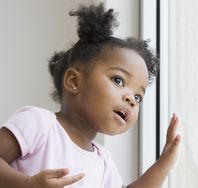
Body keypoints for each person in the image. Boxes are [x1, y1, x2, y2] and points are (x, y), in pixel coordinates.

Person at [0, 3, 181, 188]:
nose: (131, 100)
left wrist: (163, 164)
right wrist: (27, 184)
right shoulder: (39, 124)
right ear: (74, 81)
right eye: (118, 80)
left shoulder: (103, 162)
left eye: (138, 97)